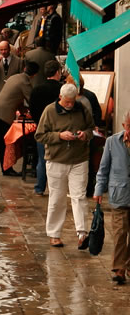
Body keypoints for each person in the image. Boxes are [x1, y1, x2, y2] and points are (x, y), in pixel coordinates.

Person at [36, 82, 95, 249]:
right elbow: (40, 135)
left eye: (72, 101)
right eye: (67, 101)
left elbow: (91, 128)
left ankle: (82, 234)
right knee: (57, 198)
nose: (70, 104)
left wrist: (85, 135)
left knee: (79, 196)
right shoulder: (49, 111)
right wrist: (59, 136)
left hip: (79, 159)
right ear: (60, 97)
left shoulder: (82, 108)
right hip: (56, 160)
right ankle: (54, 234)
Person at [0, 60, 38, 175]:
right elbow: (32, 101)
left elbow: (15, 96)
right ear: (34, 75)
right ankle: (7, 169)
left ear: (24, 69)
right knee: (4, 142)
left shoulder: (14, 77)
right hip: (4, 114)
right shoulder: (25, 82)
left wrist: (22, 109)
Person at [94, 111, 130, 284]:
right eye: (129, 126)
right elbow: (103, 169)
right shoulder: (112, 142)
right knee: (119, 232)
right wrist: (98, 190)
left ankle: (127, 264)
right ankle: (119, 268)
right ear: (124, 126)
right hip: (119, 194)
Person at [29, 60, 64, 196]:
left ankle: (40, 187)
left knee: (42, 159)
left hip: (42, 128)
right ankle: (57, 188)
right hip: (60, 128)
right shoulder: (61, 89)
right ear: (57, 72)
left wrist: (39, 121)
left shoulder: (37, 89)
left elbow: (32, 109)